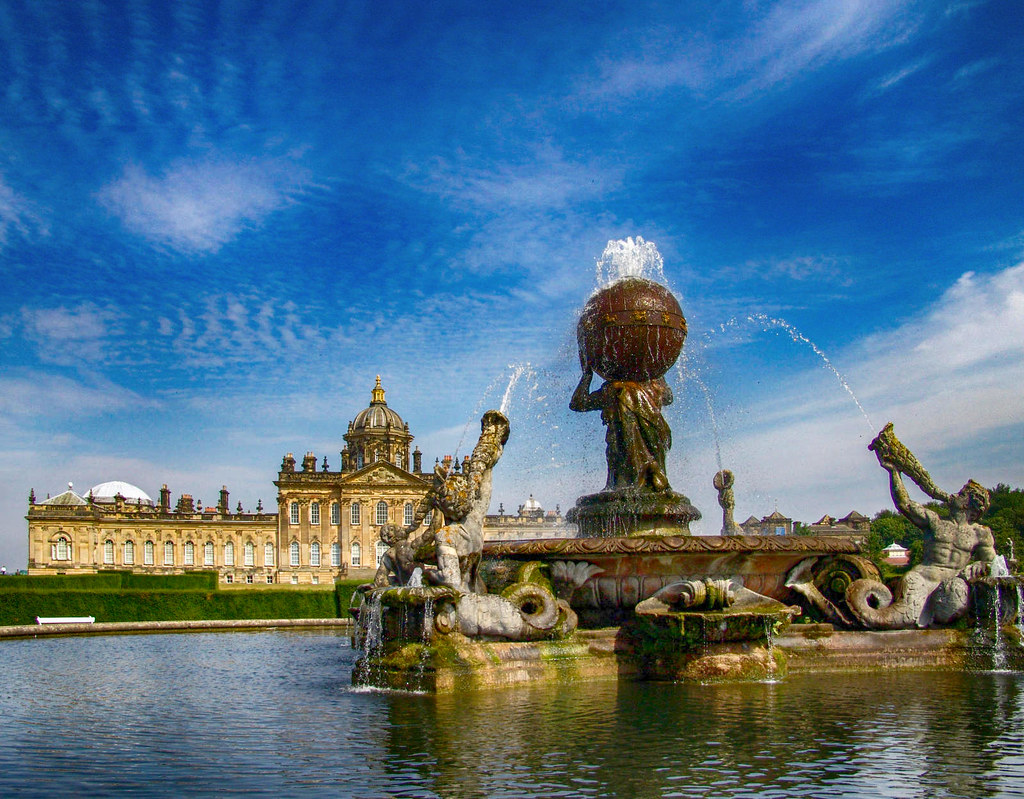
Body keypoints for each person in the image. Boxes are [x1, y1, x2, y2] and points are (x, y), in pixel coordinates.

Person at [570, 365, 672, 492]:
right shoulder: (651, 386)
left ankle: (647, 473)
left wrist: (587, 375)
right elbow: (668, 397)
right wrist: (657, 371)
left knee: (624, 488)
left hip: (626, 452)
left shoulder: (613, 389)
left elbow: (578, 403)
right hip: (639, 448)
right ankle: (650, 473)